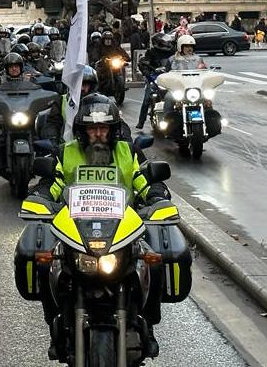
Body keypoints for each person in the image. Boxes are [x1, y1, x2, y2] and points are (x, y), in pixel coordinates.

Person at [33, 94, 166, 358]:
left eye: (103, 128)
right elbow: (55, 181)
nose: (97, 134)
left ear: (112, 130)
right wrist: (42, 195)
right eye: (92, 128)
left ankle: (148, 325)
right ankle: (54, 322)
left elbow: (142, 179)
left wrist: (156, 194)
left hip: (123, 228)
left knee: (154, 261)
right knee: (45, 262)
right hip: (76, 229)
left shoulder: (127, 152)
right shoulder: (67, 152)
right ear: (82, 131)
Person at [136, 33, 175, 130]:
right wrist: (145, 70)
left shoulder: (173, 52)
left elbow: (178, 61)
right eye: (164, 43)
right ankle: (141, 121)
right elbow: (144, 62)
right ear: (158, 43)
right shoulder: (151, 52)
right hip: (154, 77)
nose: (167, 45)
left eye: (167, 43)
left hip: (170, 76)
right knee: (147, 98)